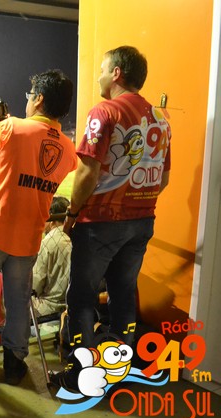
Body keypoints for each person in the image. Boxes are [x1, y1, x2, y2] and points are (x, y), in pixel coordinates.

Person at [53, 46, 171, 393]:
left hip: (101, 222)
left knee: (82, 299)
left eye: (103, 70)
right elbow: (163, 178)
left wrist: (73, 213)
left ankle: (81, 374)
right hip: (142, 220)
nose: (99, 77)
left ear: (117, 73)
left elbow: (86, 173)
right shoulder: (161, 119)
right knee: (123, 295)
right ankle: (119, 367)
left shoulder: (105, 112)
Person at [0, 69, 77, 385]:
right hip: (29, 237)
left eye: (29, 96)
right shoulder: (68, 149)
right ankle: (14, 363)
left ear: (39, 99)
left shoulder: (9, 128)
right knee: (19, 301)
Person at [31, 196, 72, 318]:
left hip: (49, 308)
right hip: (73, 305)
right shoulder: (78, 236)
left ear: (51, 218)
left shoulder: (47, 243)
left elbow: (35, 286)